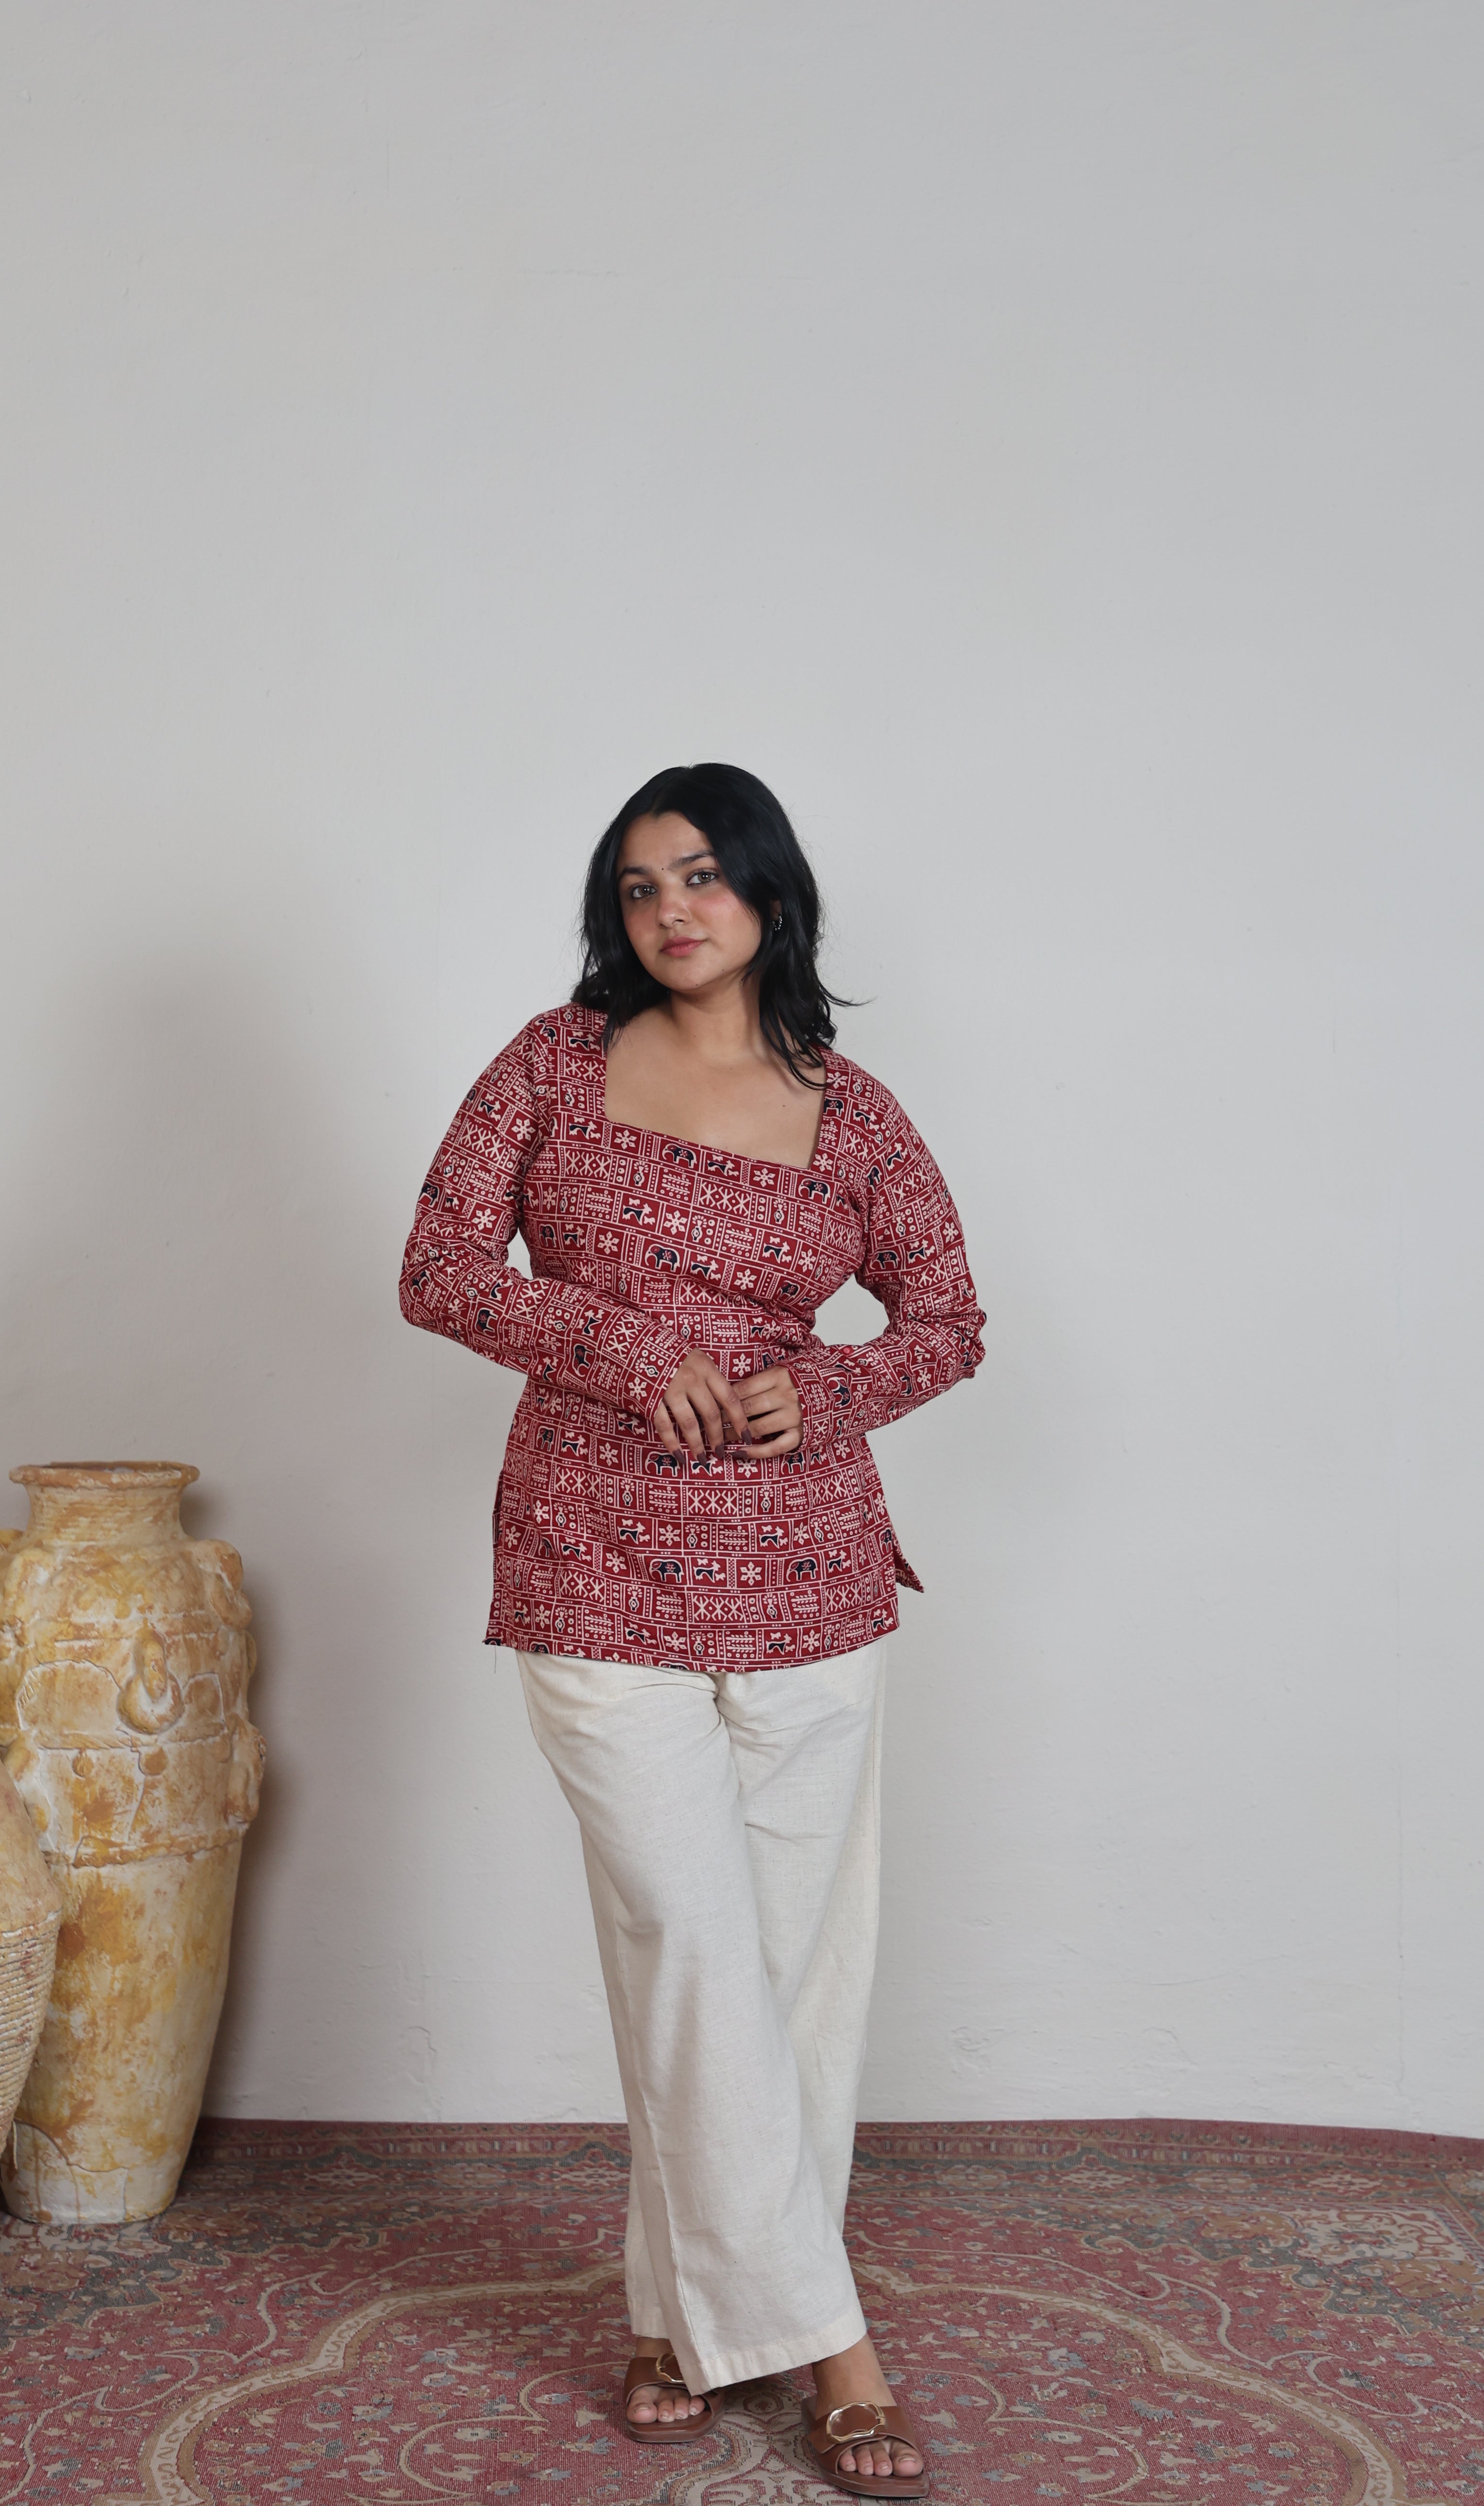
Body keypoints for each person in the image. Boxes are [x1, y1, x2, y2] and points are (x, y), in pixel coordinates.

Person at [399, 763, 984, 2498]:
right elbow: (440, 1269)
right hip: (592, 1555)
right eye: (641, 885)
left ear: (770, 898)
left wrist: (836, 1387)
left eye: (706, 879)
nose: (672, 912)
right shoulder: (551, 1066)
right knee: (692, 1940)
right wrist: (610, 1351)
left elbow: (949, 1316)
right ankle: (835, 2343)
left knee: (791, 1969)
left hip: (812, 1576)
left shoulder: (852, 1108)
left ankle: (674, 2313)